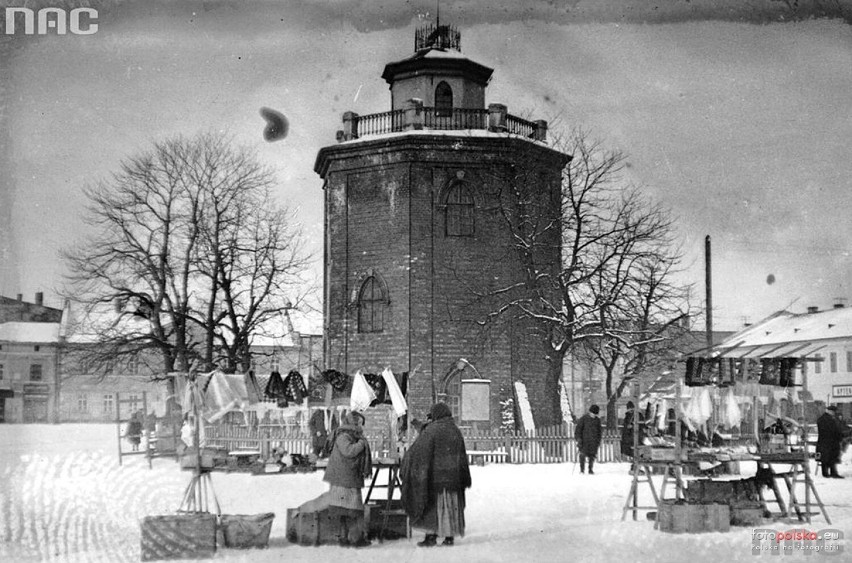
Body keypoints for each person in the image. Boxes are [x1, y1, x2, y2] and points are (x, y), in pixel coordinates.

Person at [401, 402, 471, 547]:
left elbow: (420, 450)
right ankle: (449, 537)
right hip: (453, 479)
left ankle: (431, 537)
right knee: (451, 507)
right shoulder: (455, 430)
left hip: (436, 479)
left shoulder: (432, 430)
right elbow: (462, 456)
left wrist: (408, 460)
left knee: (433, 508)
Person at [323, 411, 373, 546]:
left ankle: (347, 538)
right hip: (344, 479)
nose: (361, 426)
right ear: (353, 423)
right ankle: (354, 539)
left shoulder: (348, 434)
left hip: (346, 477)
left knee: (347, 511)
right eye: (359, 423)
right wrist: (362, 444)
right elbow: (349, 451)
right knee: (350, 511)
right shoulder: (343, 436)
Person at [817, 406, 846, 478]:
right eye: (834, 412)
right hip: (830, 441)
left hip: (825, 441)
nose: (834, 413)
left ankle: (827, 472)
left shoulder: (822, 419)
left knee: (827, 456)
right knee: (830, 456)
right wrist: (840, 435)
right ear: (830, 411)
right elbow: (834, 430)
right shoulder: (828, 419)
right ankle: (830, 473)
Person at [575, 405, 602, 474]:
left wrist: (598, 440)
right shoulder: (583, 419)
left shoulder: (597, 420)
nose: (594, 415)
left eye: (595, 414)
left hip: (594, 441)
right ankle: (582, 470)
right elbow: (578, 430)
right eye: (593, 413)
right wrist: (578, 439)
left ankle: (590, 469)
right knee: (582, 455)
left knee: (592, 456)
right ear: (590, 412)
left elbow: (599, 431)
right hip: (584, 441)